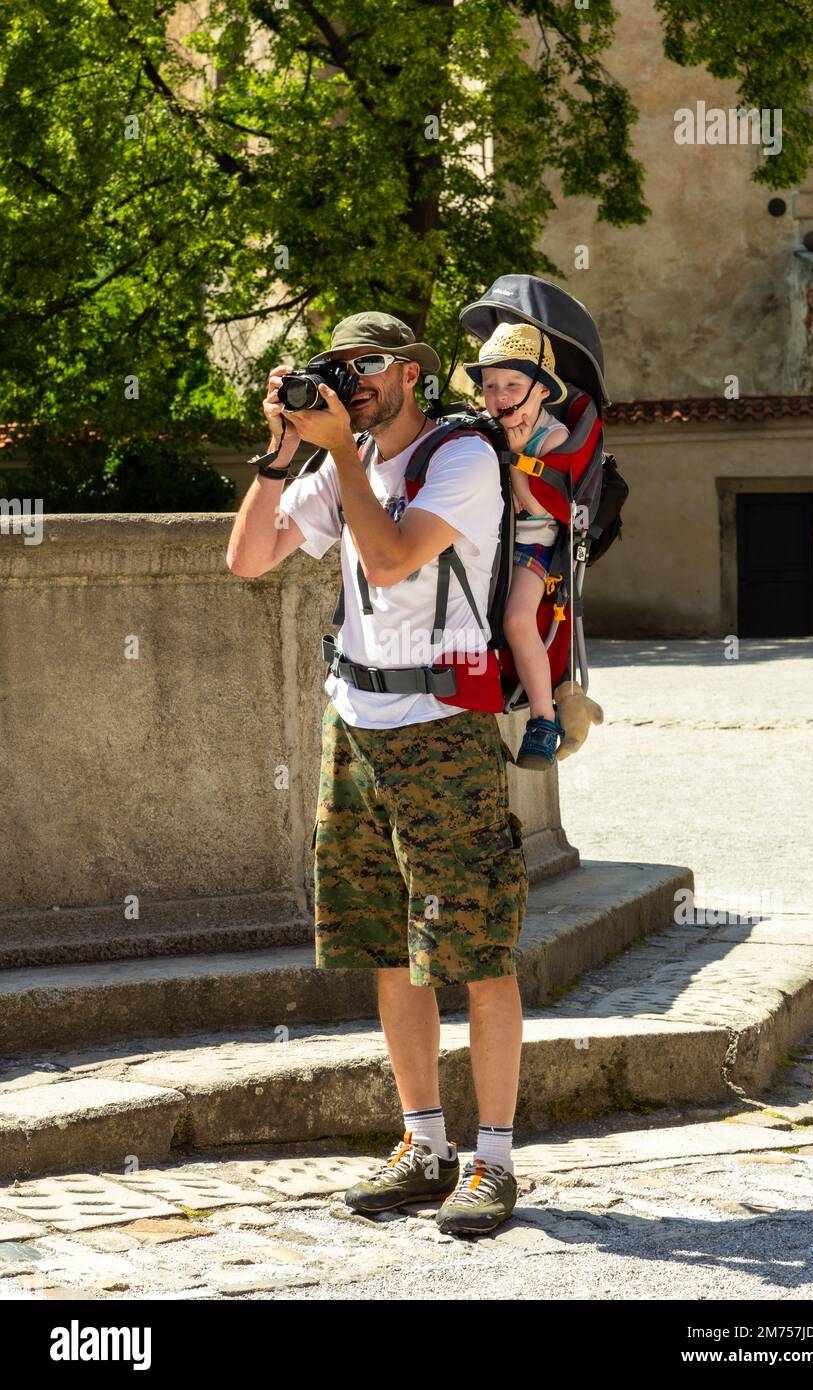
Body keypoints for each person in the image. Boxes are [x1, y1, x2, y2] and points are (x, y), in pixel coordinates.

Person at [226, 311, 529, 1234]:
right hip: (354, 722)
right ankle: (425, 1144)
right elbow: (248, 560)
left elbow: (393, 560)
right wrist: (280, 455)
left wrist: (341, 459)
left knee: (474, 949)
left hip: (442, 728)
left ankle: (494, 1160)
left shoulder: (461, 458)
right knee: (389, 947)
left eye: (367, 366)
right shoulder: (339, 461)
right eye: (339, 367)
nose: (351, 381)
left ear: (409, 374)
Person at [464, 323, 569, 768]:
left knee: (517, 619)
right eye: (490, 386)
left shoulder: (552, 437)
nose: (499, 395)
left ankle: (544, 719)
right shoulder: (486, 428)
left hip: (532, 541)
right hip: (491, 542)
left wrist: (518, 456)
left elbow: (531, 505)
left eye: (512, 384)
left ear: (541, 390)